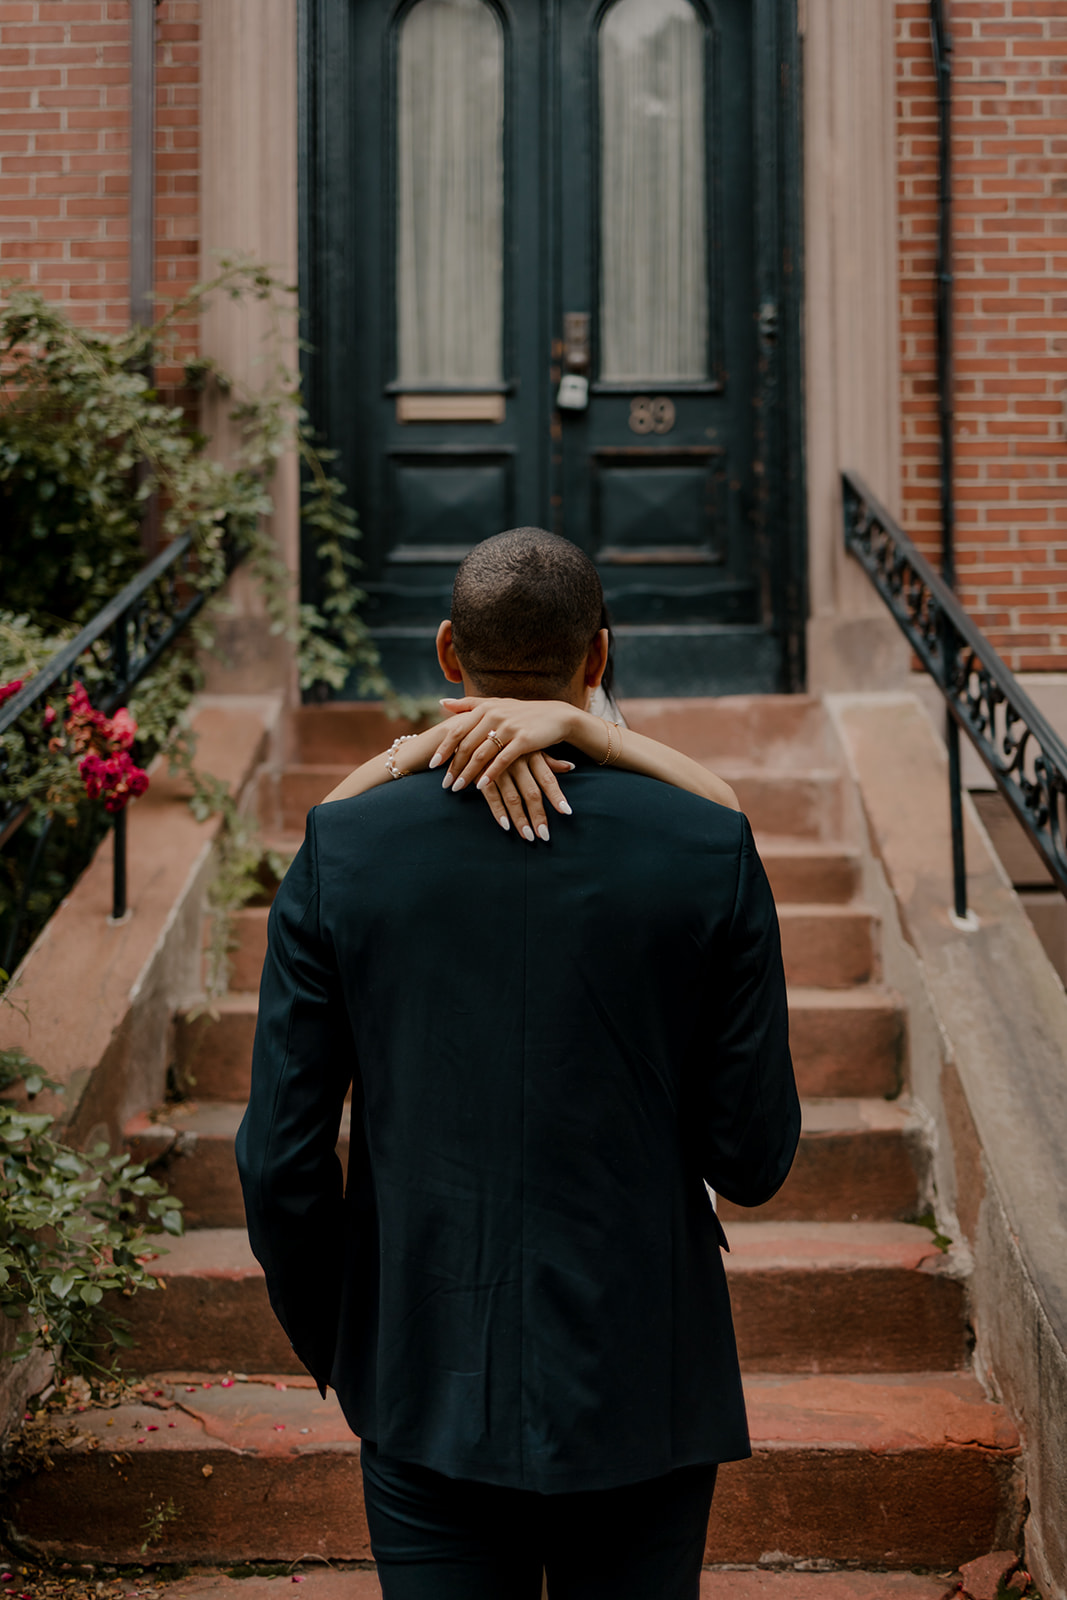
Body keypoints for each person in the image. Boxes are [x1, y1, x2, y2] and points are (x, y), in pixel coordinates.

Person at [236, 528, 800, 1600]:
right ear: (600, 657)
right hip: (645, 1382)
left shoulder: (344, 851)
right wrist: (607, 739)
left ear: (449, 653)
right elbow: (754, 1155)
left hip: (423, 1373)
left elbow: (278, 1161)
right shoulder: (707, 846)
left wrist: (357, 1342)